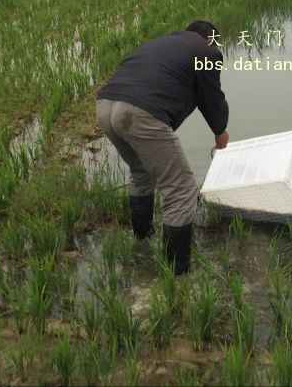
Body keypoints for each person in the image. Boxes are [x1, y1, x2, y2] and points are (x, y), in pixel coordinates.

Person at [96, 20, 229, 274]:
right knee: (181, 190)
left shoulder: (160, 44)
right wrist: (220, 131)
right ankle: (176, 274)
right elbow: (211, 97)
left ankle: (142, 241)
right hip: (139, 111)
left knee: (141, 172)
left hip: (105, 106)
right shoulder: (208, 52)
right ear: (210, 40)